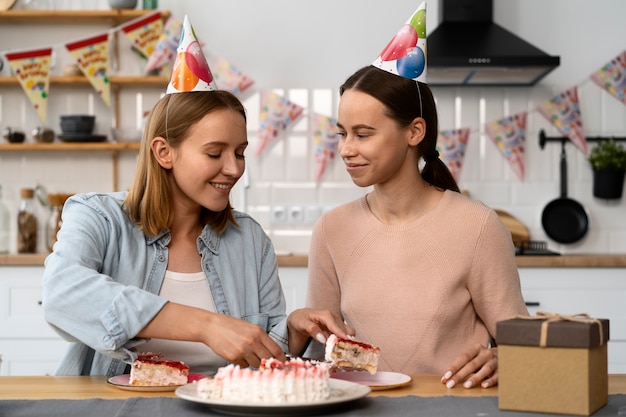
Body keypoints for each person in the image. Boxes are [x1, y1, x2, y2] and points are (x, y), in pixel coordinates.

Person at [42, 16, 350, 376]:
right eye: (214, 153)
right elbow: (62, 294)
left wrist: (293, 330)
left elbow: (265, 360)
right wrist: (206, 325)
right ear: (164, 152)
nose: (234, 169)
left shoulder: (249, 240)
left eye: (239, 152)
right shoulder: (99, 217)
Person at [287, 64, 529, 389]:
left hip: (449, 409)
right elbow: (322, 346)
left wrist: (509, 359)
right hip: (360, 408)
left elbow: (523, 343)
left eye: (363, 134)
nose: (346, 149)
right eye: (342, 133)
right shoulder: (331, 229)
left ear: (414, 132)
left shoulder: (478, 226)